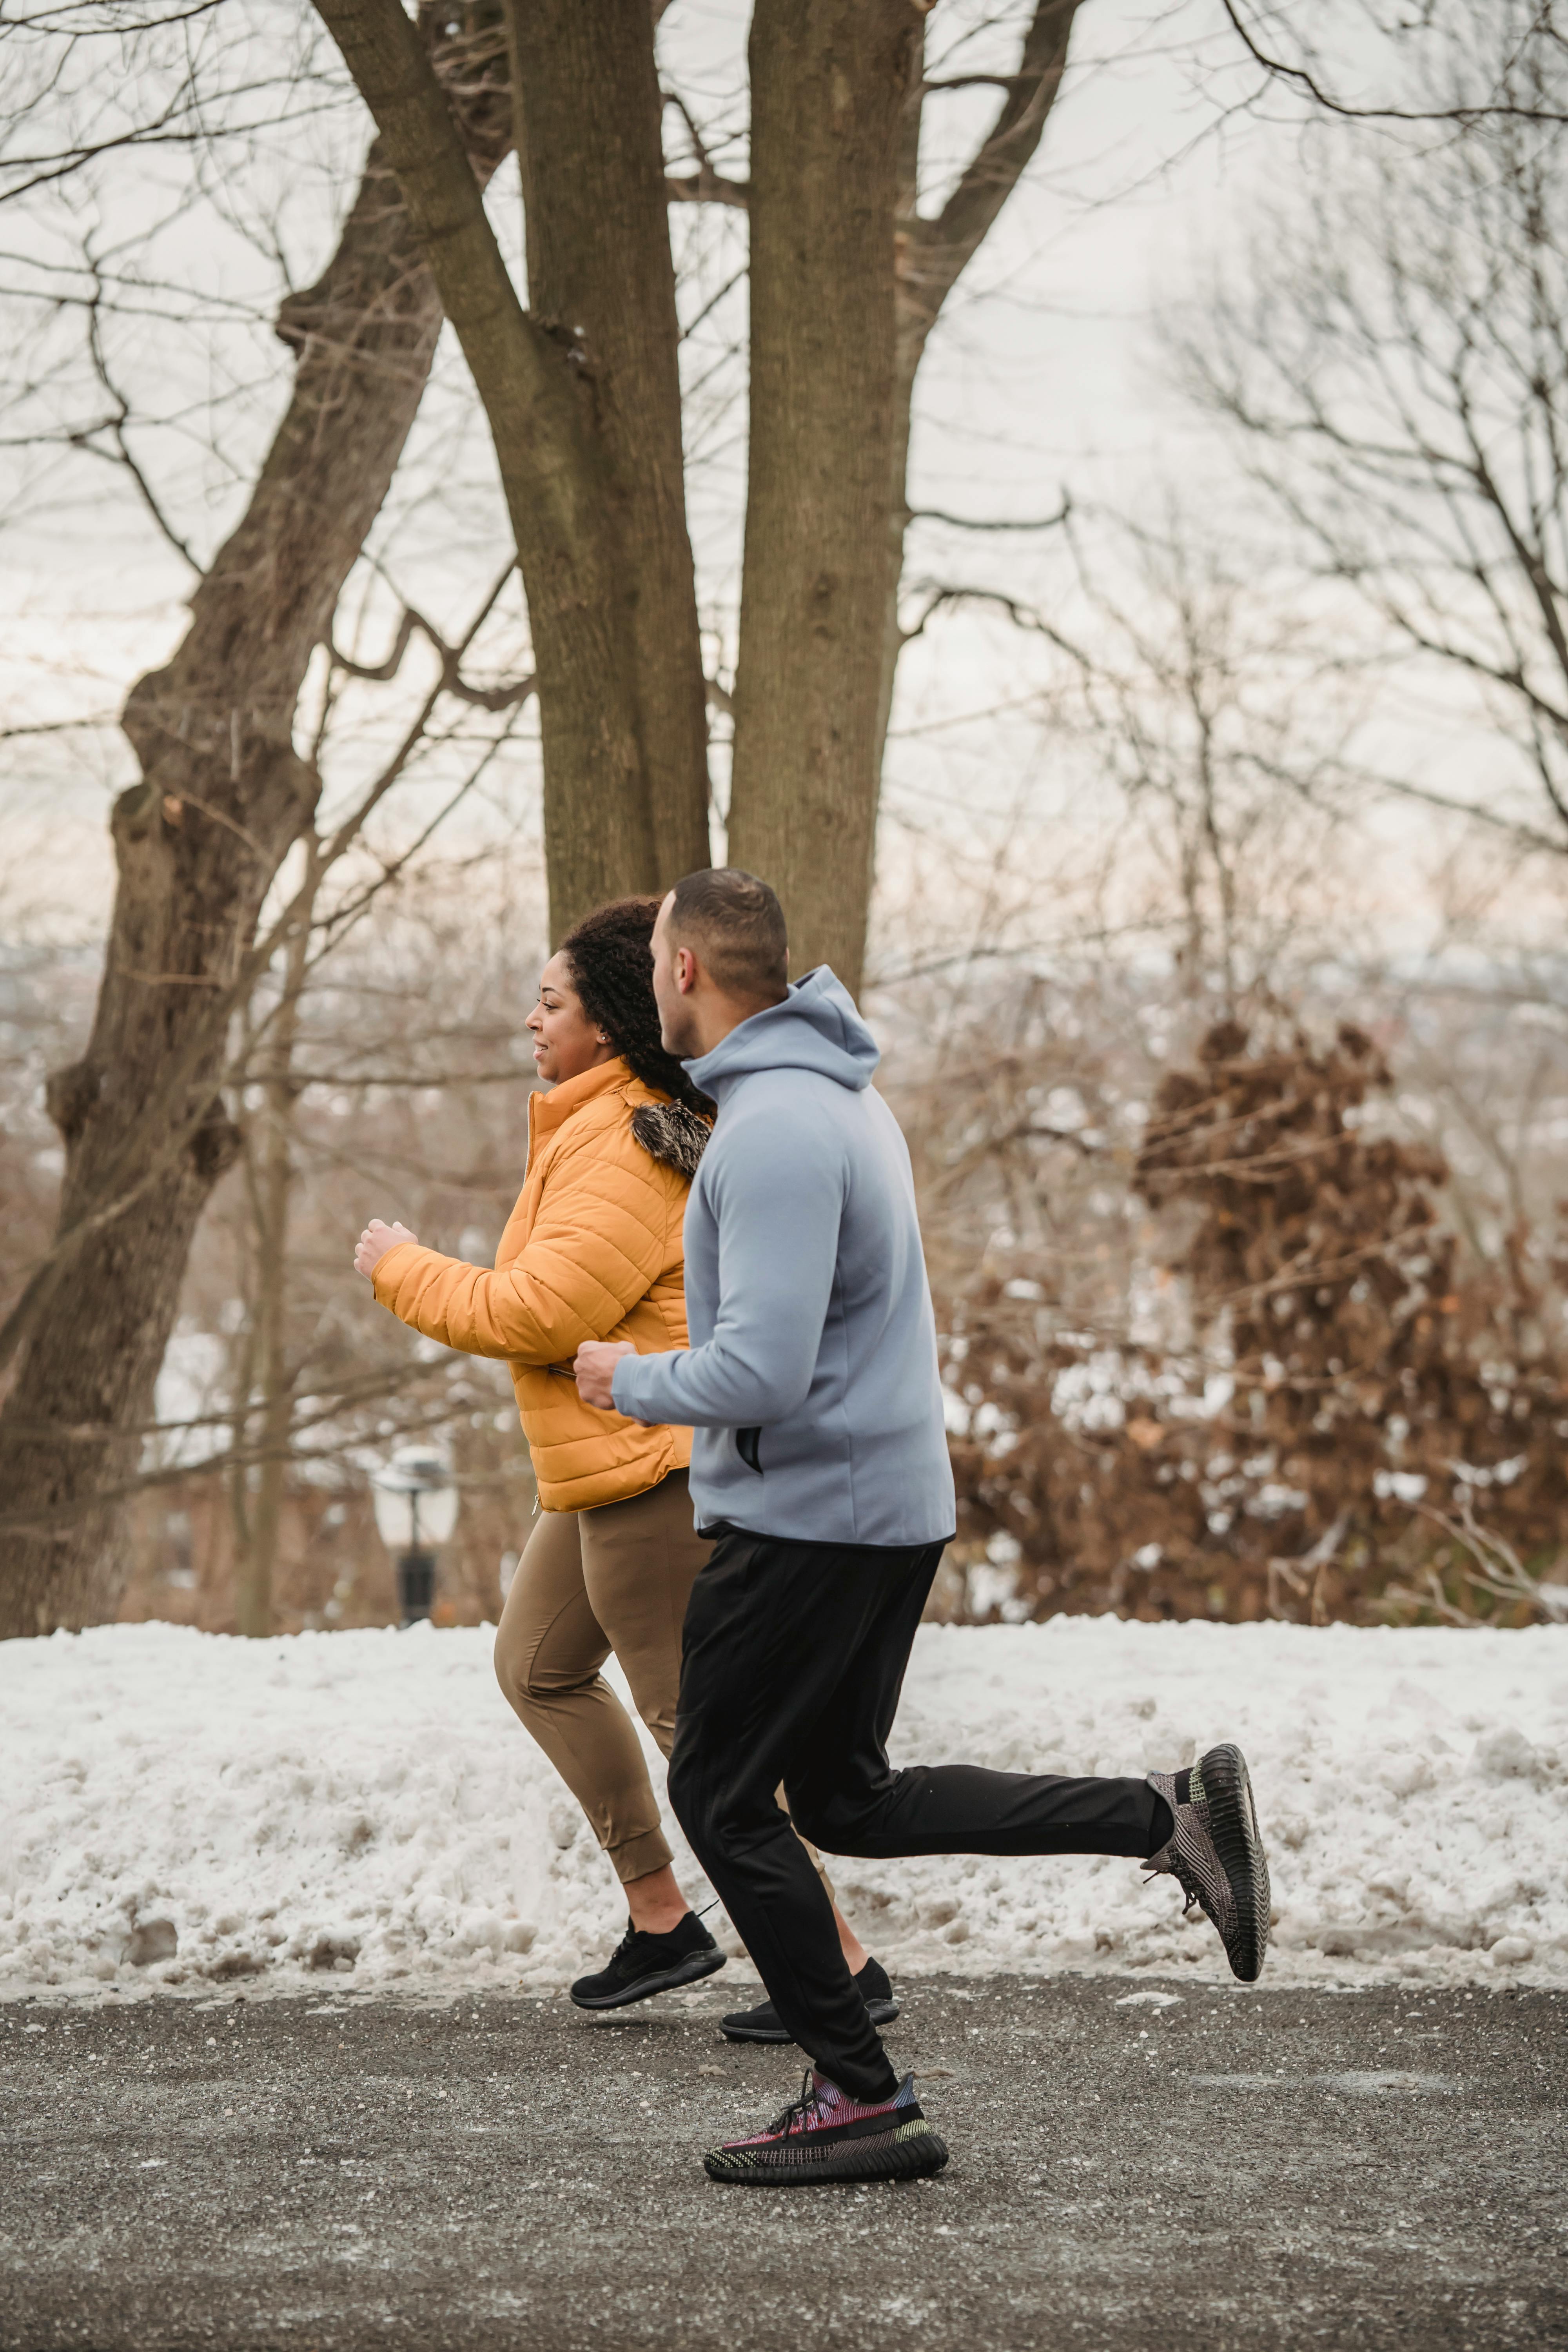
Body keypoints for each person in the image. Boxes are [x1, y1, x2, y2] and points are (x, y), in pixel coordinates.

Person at [575, 869, 1271, 2186]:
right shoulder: (835, 1095)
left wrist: (631, 1379)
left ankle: (858, 2092)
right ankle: (1165, 1816)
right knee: (846, 1797)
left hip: (808, 1522)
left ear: (684, 973)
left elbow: (763, 1372)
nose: (645, 978)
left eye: (653, 957)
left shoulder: (774, 1129)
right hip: (872, 1508)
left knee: (723, 1801)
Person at [352, 895, 894, 2027]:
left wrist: (401, 1267)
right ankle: (661, 1920)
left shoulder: (621, 1140)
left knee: (699, 1733)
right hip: (601, 1468)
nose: (530, 1022)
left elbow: (541, 1312)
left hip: (652, 1472)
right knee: (537, 1666)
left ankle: (838, 1966)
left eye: (549, 1002)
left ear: (604, 1019)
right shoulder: (592, 1123)